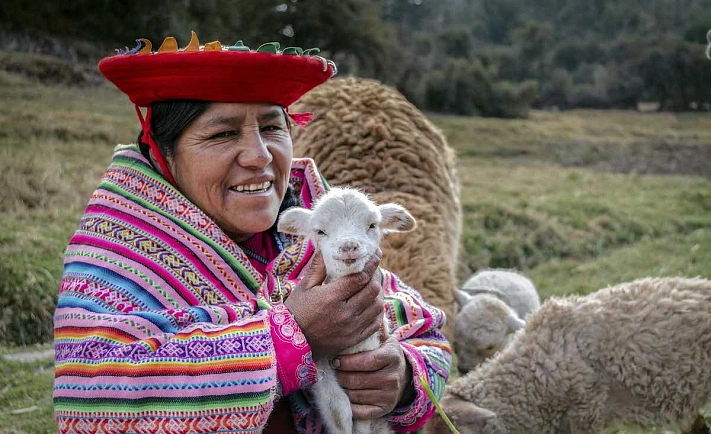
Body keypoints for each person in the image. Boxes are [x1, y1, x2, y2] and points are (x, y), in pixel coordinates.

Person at [53, 31, 451, 434]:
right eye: (222, 134)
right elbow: (90, 401)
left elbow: (422, 329)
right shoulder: (122, 255)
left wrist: (399, 377)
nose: (260, 156)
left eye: (272, 128)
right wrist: (292, 337)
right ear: (163, 151)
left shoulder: (320, 222)